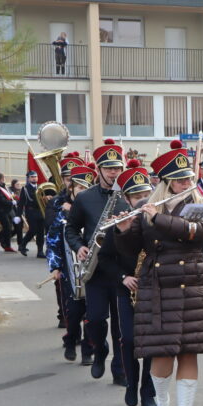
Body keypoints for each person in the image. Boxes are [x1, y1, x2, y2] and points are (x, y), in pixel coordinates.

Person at [114, 140, 203, 406]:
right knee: (161, 353)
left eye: (188, 178)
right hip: (158, 286)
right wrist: (122, 230)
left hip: (191, 283)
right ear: (166, 183)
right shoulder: (147, 207)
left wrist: (156, 218)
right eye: (179, 180)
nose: (187, 183)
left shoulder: (199, 204)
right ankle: (162, 403)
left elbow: (196, 233)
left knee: (189, 352)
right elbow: (132, 247)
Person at [65, 140, 131, 384]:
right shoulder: (85, 198)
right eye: (109, 168)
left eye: (117, 168)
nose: (114, 173)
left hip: (121, 268)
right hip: (95, 269)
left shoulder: (127, 195)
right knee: (94, 320)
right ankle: (100, 350)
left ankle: (119, 370)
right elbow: (71, 229)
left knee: (121, 327)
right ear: (99, 169)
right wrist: (79, 246)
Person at [110, 160, 157, 406]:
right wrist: (122, 277)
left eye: (146, 193)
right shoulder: (119, 220)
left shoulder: (155, 219)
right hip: (127, 289)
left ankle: (147, 391)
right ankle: (131, 384)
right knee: (128, 340)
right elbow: (106, 259)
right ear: (127, 199)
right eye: (137, 195)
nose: (142, 199)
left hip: (152, 289)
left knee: (149, 342)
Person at [46, 161, 91, 364]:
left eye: (86, 188)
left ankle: (88, 351)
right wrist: (55, 267)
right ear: (71, 187)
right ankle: (71, 339)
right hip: (68, 269)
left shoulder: (92, 209)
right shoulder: (60, 208)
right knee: (72, 313)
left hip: (92, 269)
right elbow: (52, 239)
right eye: (80, 187)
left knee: (92, 312)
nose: (83, 191)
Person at [18, 171, 46, 257]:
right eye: (32, 177)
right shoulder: (25, 189)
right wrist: (18, 215)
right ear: (29, 178)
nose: (34, 178)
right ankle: (23, 244)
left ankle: (40, 251)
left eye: (35, 177)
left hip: (41, 211)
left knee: (41, 232)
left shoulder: (41, 187)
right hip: (31, 212)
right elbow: (21, 203)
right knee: (33, 230)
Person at [0, 170, 18, 253]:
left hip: (7, 209)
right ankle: (6, 246)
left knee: (9, 227)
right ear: (1, 178)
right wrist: (11, 202)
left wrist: (13, 198)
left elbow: (7, 196)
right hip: (0, 210)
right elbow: (1, 199)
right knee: (7, 227)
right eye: (4, 177)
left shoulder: (3, 186)